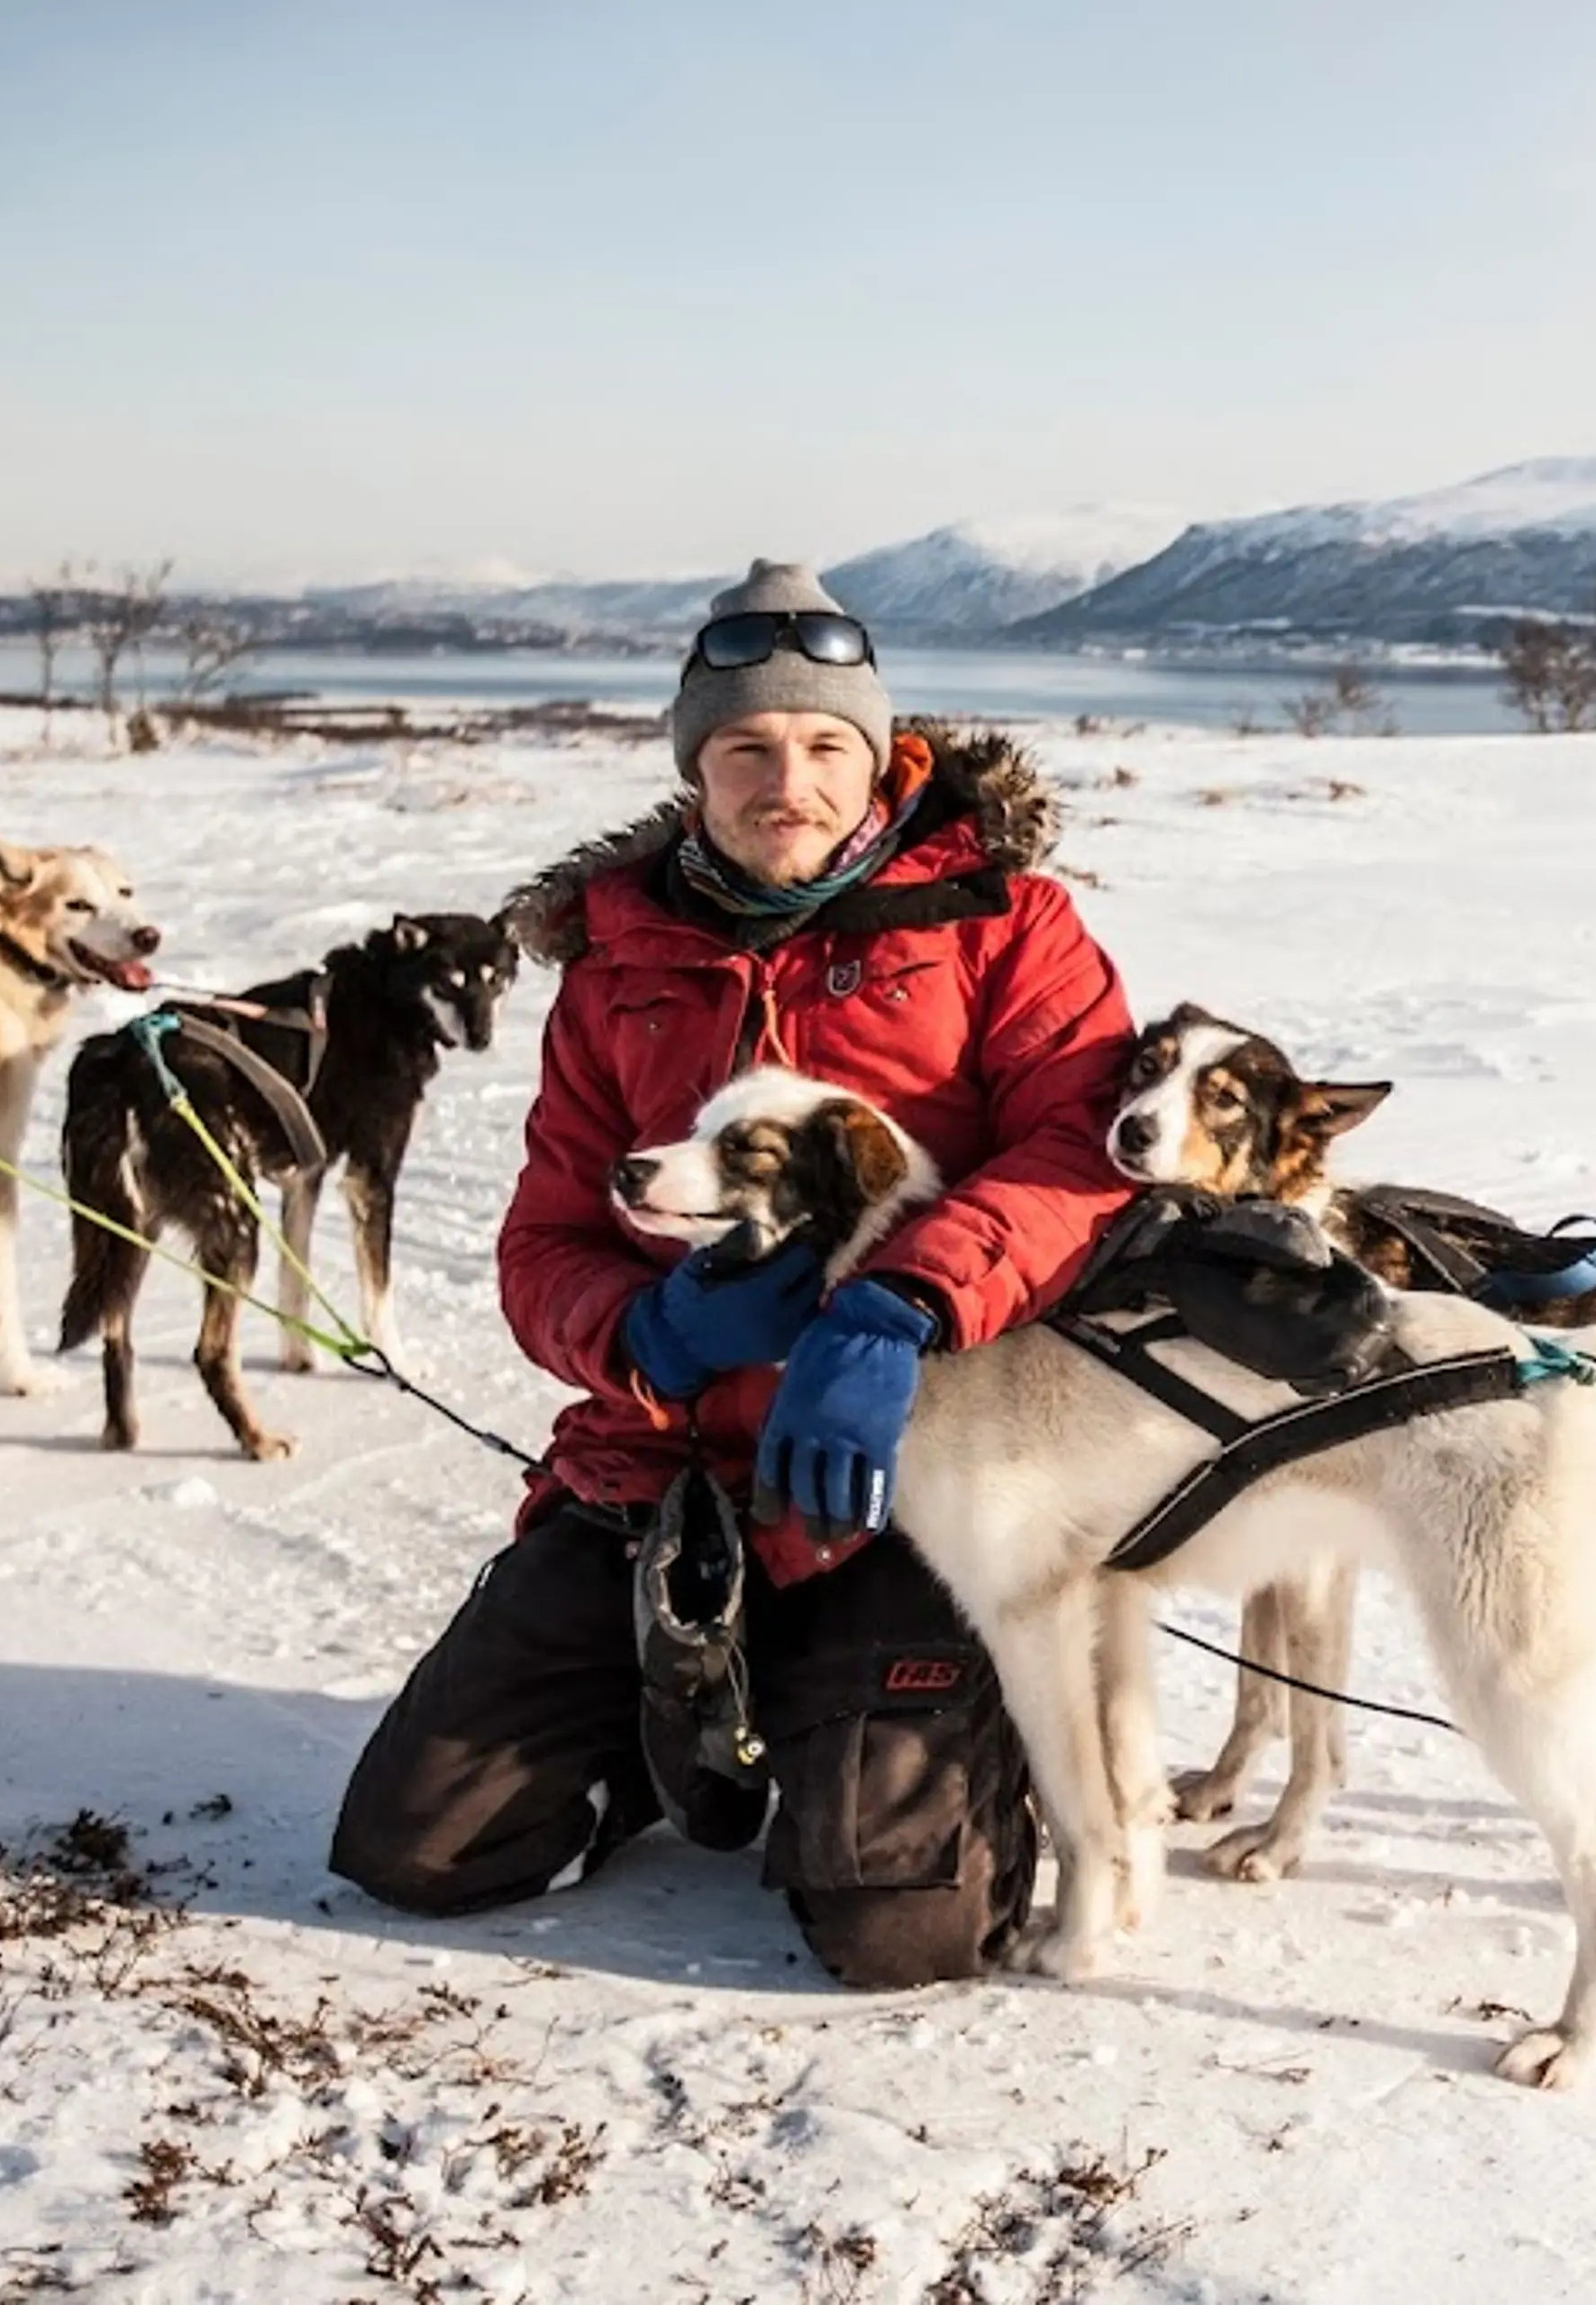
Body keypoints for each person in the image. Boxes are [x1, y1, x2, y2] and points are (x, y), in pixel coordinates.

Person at [330, 561, 1135, 1985]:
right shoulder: (615, 962)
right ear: (696, 765)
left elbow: (1083, 1156)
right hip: (659, 1473)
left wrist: (906, 1302)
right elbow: (540, 1248)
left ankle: (938, 1733)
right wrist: (647, 1331)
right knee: (419, 1850)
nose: (791, 780)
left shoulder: (1004, 924)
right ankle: (670, 1732)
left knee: (901, 1928)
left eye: (828, 745)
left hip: (909, 1484)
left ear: (885, 757)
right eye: (748, 747)